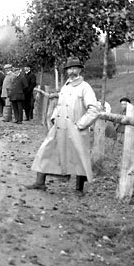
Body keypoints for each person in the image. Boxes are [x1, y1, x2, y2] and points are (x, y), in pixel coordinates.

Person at [26, 57, 101, 195]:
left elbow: (94, 110)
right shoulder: (65, 86)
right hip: (60, 126)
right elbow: (59, 104)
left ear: (80, 70)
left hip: (75, 128)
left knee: (79, 157)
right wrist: (54, 117)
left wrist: (80, 125)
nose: (72, 71)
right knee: (46, 150)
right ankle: (40, 182)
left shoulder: (85, 88)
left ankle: (79, 189)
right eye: (69, 69)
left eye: (75, 68)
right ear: (66, 71)